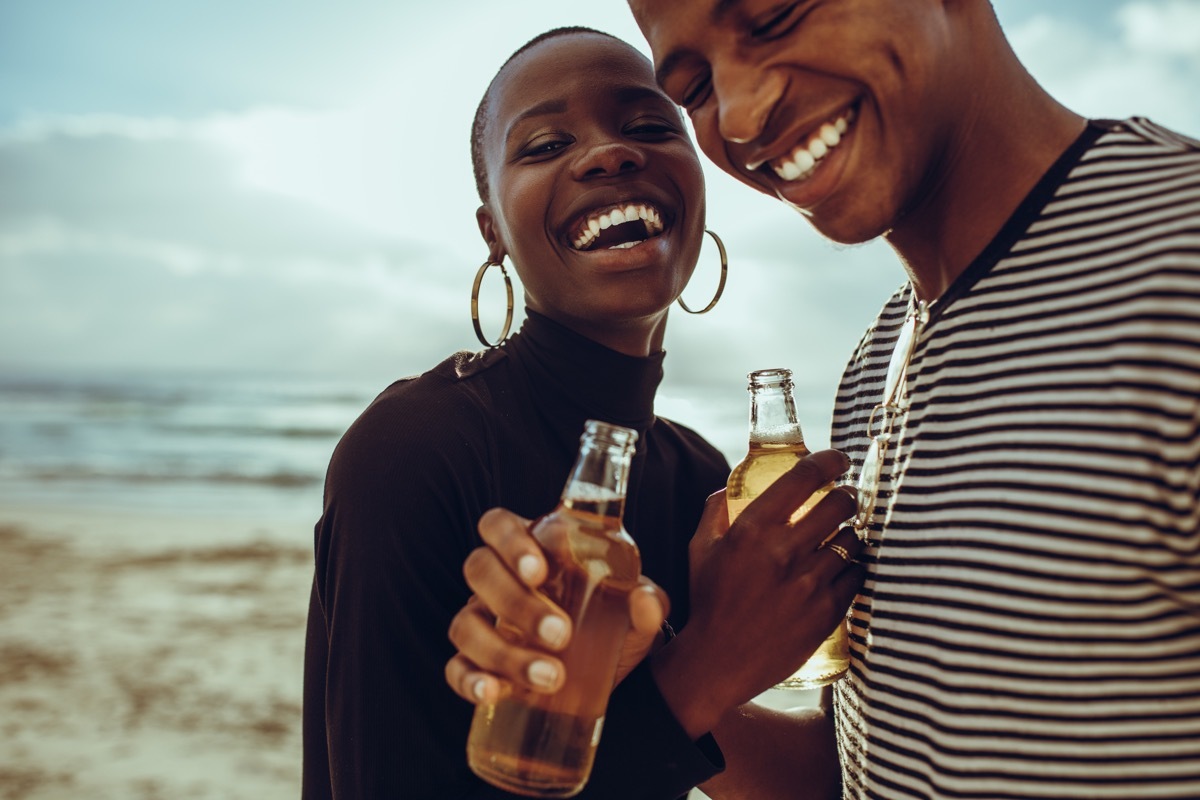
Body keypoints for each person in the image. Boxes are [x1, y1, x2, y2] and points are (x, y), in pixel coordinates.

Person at [446, 1, 1200, 798]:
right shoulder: (876, 362)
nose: (738, 115)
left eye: (773, 17)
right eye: (696, 87)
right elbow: (867, 770)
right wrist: (650, 662)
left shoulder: (1176, 260)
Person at [301, 25, 864, 800]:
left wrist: (683, 660)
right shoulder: (414, 452)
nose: (609, 154)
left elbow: (809, 785)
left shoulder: (699, 481)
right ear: (492, 230)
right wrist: (702, 669)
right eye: (543, 145)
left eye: (648, 127)